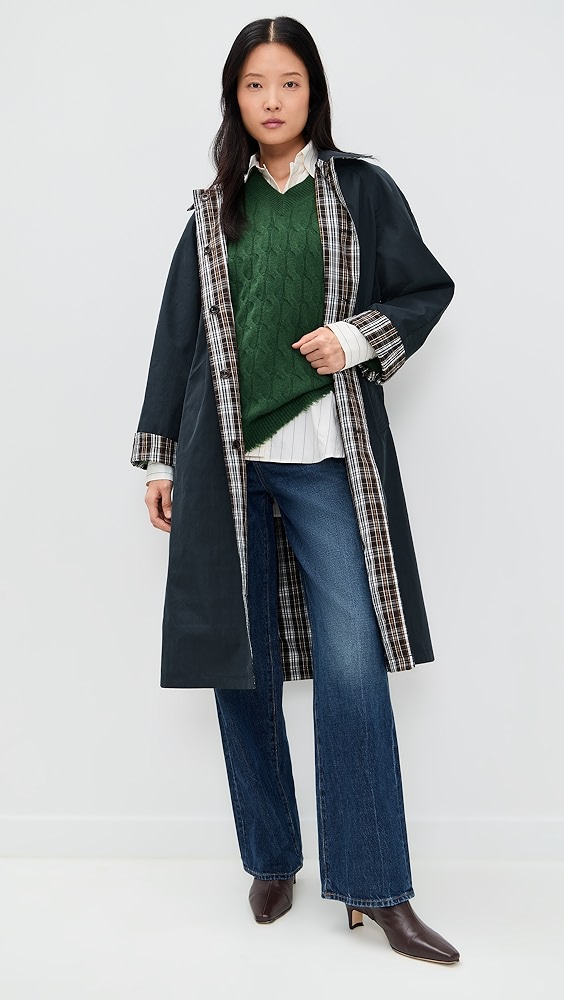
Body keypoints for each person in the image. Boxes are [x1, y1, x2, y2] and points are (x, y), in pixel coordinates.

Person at [131, 16, 460, 965]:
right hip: (224, 466)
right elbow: (177, 338)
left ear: (313, 93)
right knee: (242, 667)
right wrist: (161, 459)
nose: (272, 101)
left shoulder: (361, 188)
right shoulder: (212, 210)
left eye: (288, 83)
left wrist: (352, 339)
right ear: (234, 100)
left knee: (353, 664)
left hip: (326, 457)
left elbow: (425, 290)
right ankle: (272, 859)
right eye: (254, 86)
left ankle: (377, 887)